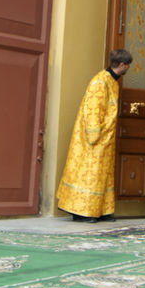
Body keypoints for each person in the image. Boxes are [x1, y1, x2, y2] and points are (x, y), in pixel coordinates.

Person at [57, 49, 133, 223]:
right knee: (90, 173)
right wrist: (94, 135)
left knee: (103, 175)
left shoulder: (112, 82)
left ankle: (102, 210)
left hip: (106, 138)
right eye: (128, 65)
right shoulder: (100, 82)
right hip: (95, 138)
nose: (128, 69)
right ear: (122, 65)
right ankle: (83, 212)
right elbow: (93, 109)